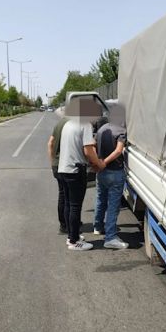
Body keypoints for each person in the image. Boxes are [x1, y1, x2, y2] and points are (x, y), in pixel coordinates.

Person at [58, 98, 105, 251]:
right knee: (75, 206)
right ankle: (74, 241)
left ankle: (72, 235)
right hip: (76, 170)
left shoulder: (68, 124)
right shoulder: (84, 124)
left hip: (64, 169)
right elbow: (88, 150)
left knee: (69, 205)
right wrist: (99, 164)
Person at [93, 104, 129, 249]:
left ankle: (97, 227)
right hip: (115, 172)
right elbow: (119, 150)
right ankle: (110, 237)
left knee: (100, 199)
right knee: (113, 205)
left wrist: (99, 162)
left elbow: (93, 146)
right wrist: (105, 162)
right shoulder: (121, 131)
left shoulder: (101, 129)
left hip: (101, 173)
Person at [47, 116, 69, 233]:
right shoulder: (73, 124)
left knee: (62, 194)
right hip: (68, 165)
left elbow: (50, 143)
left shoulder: (59, 124)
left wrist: (52, 163)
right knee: (70, 197)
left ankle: (63, 224)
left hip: (56, 164)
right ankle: (68, 224)